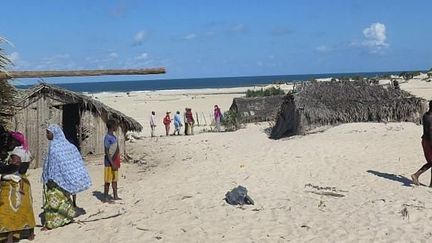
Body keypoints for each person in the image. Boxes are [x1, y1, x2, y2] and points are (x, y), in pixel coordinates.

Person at [41, 124, 92, 230]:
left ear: (54, 134)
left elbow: (70, 162)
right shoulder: (56, 146)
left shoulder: (59, 147)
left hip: (56, 180)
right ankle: (66, 219)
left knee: (53, 202)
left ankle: (51, 224)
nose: (47, 135)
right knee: (63, 200)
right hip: (56, 179)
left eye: (48, 132)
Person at [0, 131, 36, 243]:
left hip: (13, 185)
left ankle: (9, 237)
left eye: (10, 141)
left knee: (7, 210)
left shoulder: (16, 153)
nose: (8, 143)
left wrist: (3, 168)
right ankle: (30, 233)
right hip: (24, 182)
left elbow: (13, 168)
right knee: (26, 208)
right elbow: (23, 168)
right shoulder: (25, 151)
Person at [412, 101, 432, 186]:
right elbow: (430, 132)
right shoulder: (430, 118)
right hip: (429, 141)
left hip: (425, 140)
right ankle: (416, 175)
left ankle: (431, 184)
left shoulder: (426, 115)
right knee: (431, 162)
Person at [103, 119, 121, 202]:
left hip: (115, 161)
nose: (117, 127)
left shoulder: (113, 136)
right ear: (112, 127)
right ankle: (106, 197)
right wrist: (112, 163)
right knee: (108, 181)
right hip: (109, 163)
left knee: (115, 179)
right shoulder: (107, 137)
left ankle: (115, 196)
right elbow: (106, 151)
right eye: (116, 126)